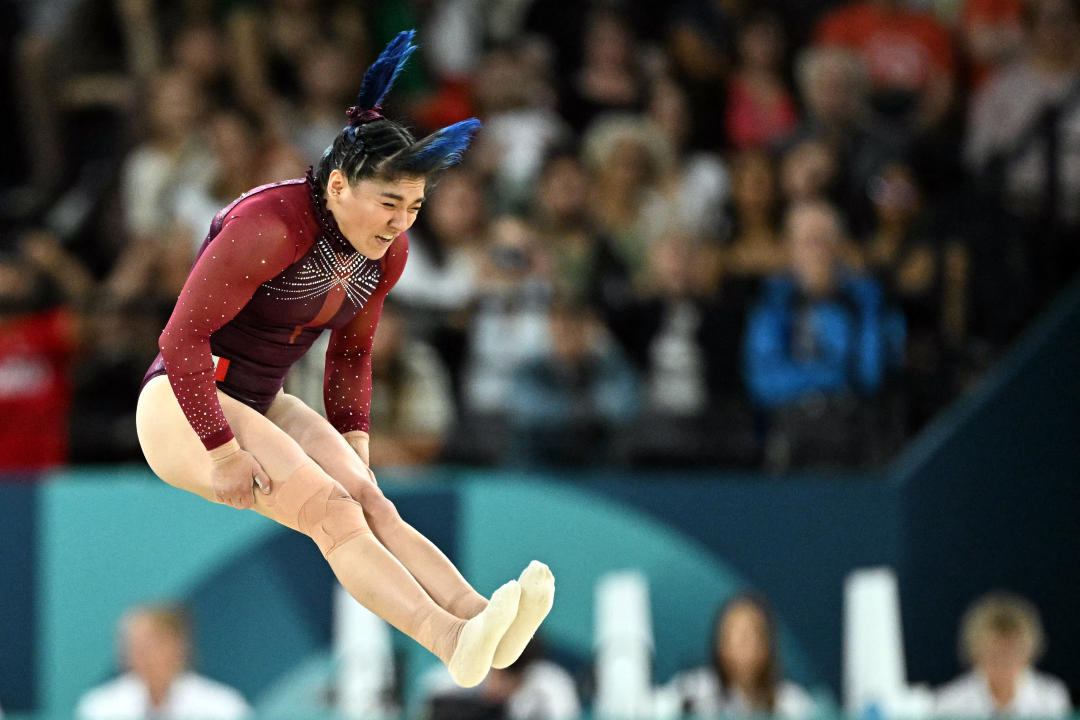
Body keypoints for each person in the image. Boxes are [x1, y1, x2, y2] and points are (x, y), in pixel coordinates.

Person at [134, 31, 554, 689]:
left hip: (260, 398)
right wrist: (219, 451)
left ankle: (481, 618)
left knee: (366, 496)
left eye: (413, 208)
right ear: (337, 185)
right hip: (179, 405)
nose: (399, 224)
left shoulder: (386, 254)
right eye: (389, 204)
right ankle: (448, 640)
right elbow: (179, 341)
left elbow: (351, 354)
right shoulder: (268, 227)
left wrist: (353, 447)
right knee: (329, 510)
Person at [75, 604, 250, 720]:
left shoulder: (222, 707)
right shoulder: (100, 707)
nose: (138, 656)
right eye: (131, 647)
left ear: (177, 647)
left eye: (149, 645)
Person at [660, 593, 814, 719]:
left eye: (748, 633)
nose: (739, 642)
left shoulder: (792, 702)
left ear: (766, 644)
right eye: (731, 633)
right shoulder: (692, 692)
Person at [933, 592, 1071, 717]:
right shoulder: (950, 702)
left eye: (1011, 653)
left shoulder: (1050, 697)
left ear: (1028, 652)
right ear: (975, 652)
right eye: (994, 654)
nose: (1003, 662)